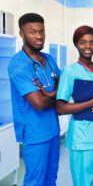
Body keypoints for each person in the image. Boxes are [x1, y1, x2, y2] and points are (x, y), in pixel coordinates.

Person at [56, 25, 93, 186]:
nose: (88, 46)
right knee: (84, 182)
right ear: (76, 44)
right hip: (82, 137)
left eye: (92, 42)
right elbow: (60, 108)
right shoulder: (70, 72)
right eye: (83, 42)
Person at [8, 13, 60, 185]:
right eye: (32, 32)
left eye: (41, 31)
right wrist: (58, 97)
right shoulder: (18, 64)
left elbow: (64, 86)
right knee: (35, 181)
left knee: (51, 178)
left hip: (53, 130)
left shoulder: (49, 59)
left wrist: (52, 94)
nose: (39, 36)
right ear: (22, 33)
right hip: (34, 133)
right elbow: (39, 103)